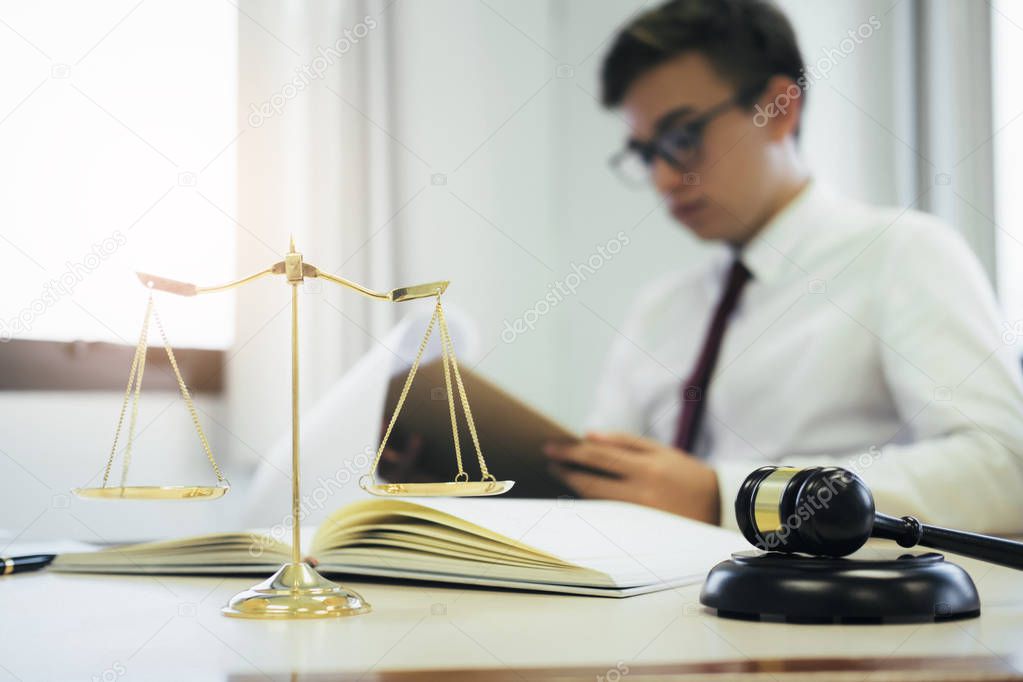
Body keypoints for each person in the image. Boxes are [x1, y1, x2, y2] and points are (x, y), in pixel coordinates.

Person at [384, 0, 1023, 534]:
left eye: (683, 136)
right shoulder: (662, 309)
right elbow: (604, 497)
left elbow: (1004, 472)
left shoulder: (902, 254)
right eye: (645, 152)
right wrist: (456, 482)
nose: (664, 175)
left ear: (781, 108)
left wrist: (725, 497)